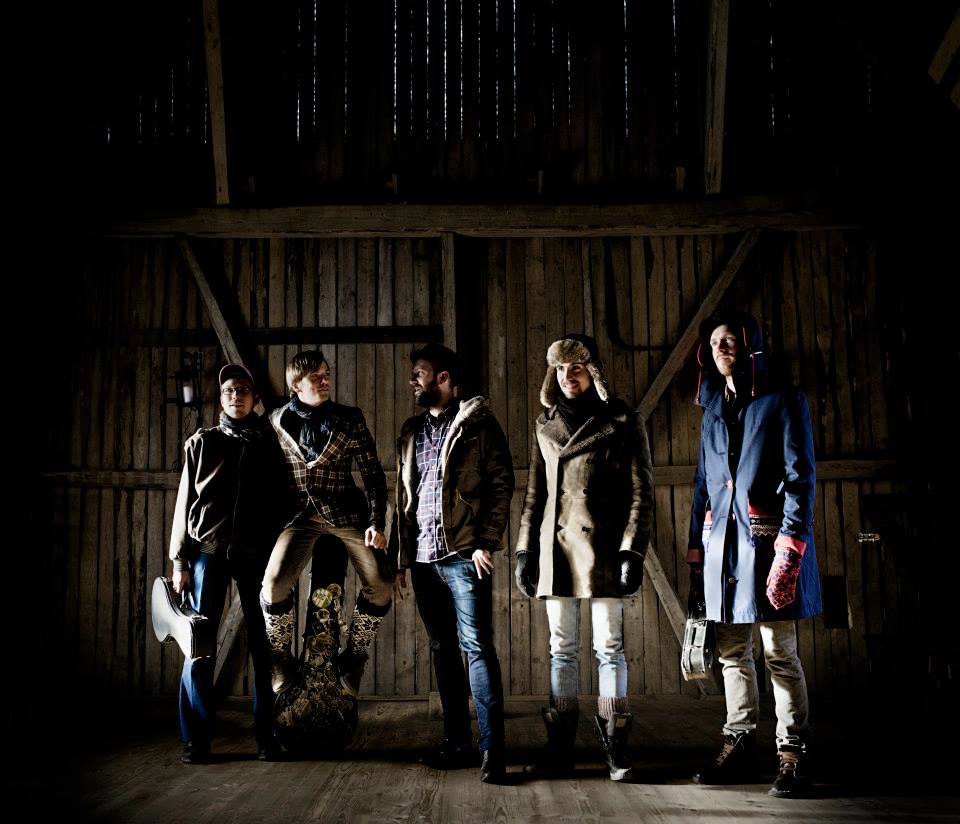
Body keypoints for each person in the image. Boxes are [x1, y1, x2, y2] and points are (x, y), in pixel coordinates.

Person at [688, 310, 821, 798]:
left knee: (779, 653)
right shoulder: (711, 410)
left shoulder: (783, 400)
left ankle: (792, 753)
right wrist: (696, 550)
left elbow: (800, 477)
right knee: (731, 654)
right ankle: (740, 742)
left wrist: (790, 548)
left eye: (730, 340)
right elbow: (703, 485)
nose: (721, 348)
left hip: (768, 549)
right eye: (714, 343)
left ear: (750, 345)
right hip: (722, 550)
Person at [514, 334, 654, 781]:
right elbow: (535, 495)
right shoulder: (545, 425)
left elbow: (641, 492)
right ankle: (560, 748)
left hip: (606, 548)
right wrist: (525, 550)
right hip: (555, 549)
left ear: (592, 372)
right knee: (561, 650)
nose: (567, 377)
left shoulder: (623, 420)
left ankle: (615, 746)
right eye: (559, 369)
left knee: (609, 648)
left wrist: (633, 550)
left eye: (575, 368)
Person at [392, 343, 514, 784]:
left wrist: (486, 542)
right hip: (423, 561)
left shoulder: (479, 426)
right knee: (443, 650)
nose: (413, 380)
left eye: (420, 373)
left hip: (464, 556)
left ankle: (492, 751)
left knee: (477, 649)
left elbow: (501, 485)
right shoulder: (411, 431)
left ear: (443, 378)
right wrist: (400, 560)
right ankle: (458, 742)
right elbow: (403, 498)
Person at [169, 364, 290, 764]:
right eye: (228, 391)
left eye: (242, 390)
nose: (235, 396)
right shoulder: (202, 443)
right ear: (221, 399)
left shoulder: (270, 444)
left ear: (254, 398)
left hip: (257, 557)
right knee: (199, 646)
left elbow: (283, 500)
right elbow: (184, 503)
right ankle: (197, 739)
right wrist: (179, 561)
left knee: (263, 646)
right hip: (208, 553)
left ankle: (266, 736)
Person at [260, 350, 392, 698]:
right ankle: (280, 657)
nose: (325, 380)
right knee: (272, 585)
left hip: (346, 515)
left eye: (327, 374)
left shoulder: (350, 418)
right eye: (316, 377)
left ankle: (355, 656)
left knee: (381, 584)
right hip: (299, 518)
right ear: (295, 385)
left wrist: (376, 522)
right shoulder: (275, 420)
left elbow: (373, 476)